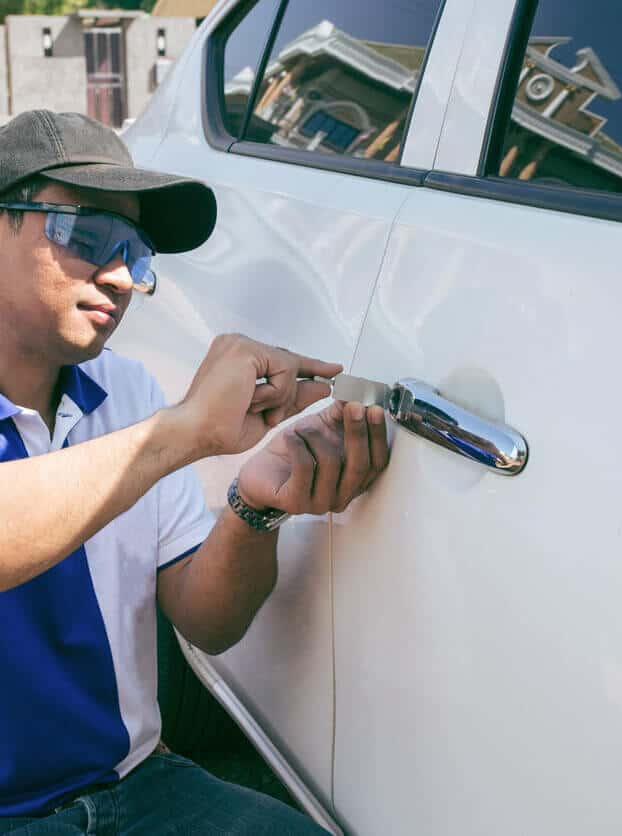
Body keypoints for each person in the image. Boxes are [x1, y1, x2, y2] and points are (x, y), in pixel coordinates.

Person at [0, 110, 389, 835]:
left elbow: (208, 622)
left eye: (136, 251)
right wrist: (183, 432)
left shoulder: (128, 394)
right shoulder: (155, 423)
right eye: (85, 235)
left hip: (134, 789)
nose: (119, 276)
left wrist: (254, 505)